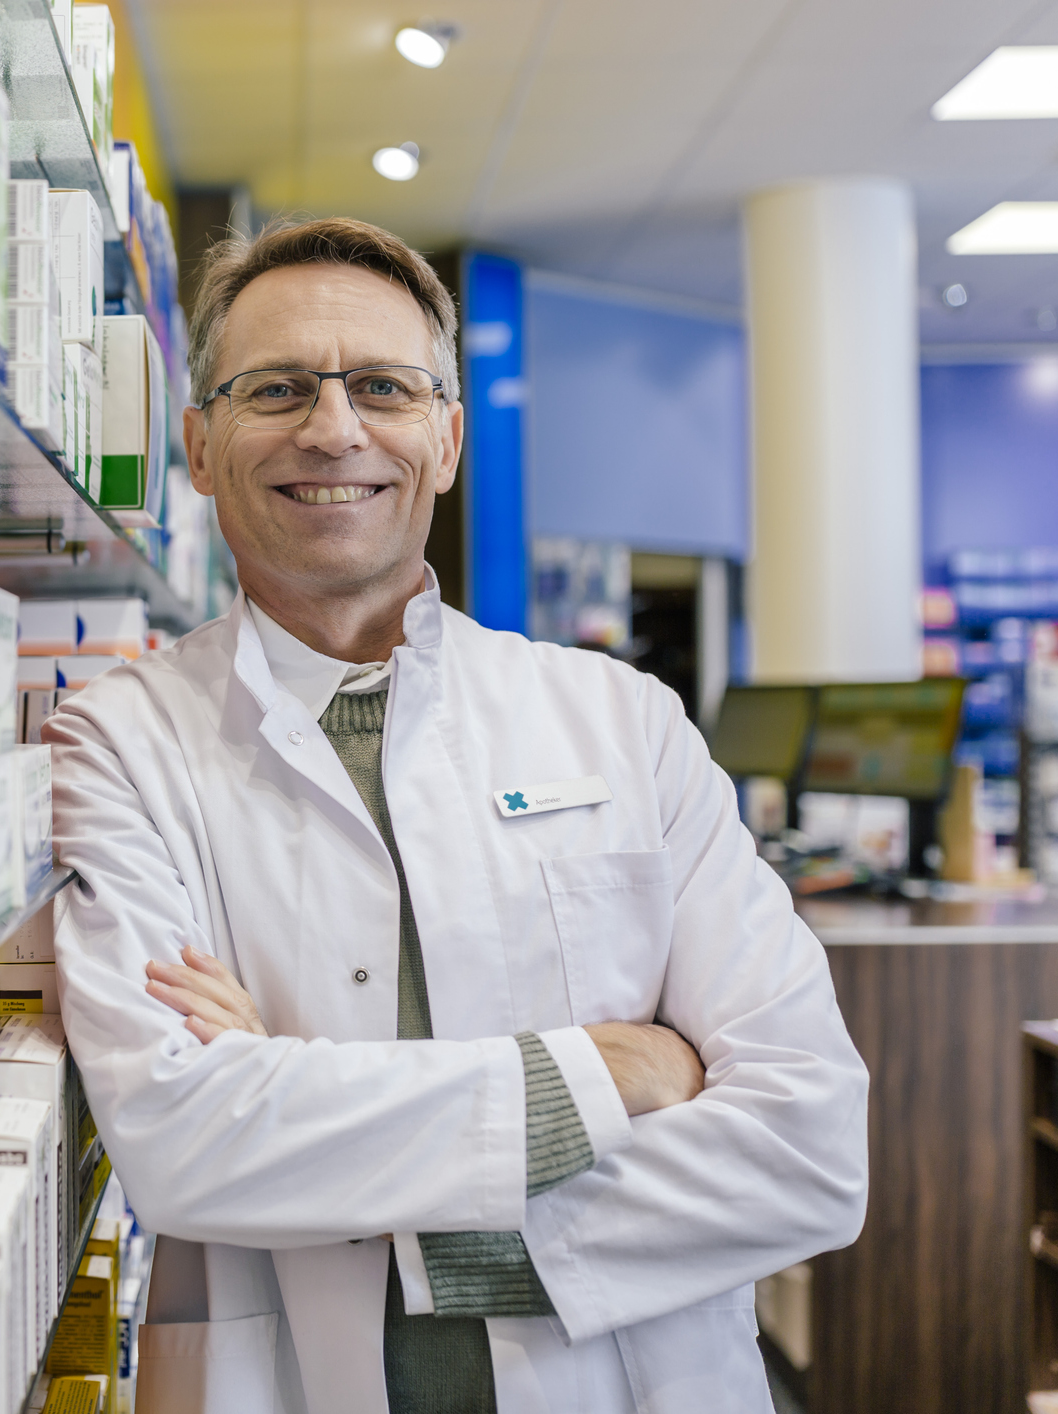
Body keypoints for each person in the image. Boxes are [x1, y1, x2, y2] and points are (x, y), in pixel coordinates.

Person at [43, 217, 868, 1413]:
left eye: (382, 386)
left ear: (446, 439)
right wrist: (607, 1069)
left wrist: (300, 1098)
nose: (333, 428)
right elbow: (182, 1144)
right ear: (202, 445)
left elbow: (808, 1147)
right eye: (275, 388)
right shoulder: (121, 741)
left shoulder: (624, 723)